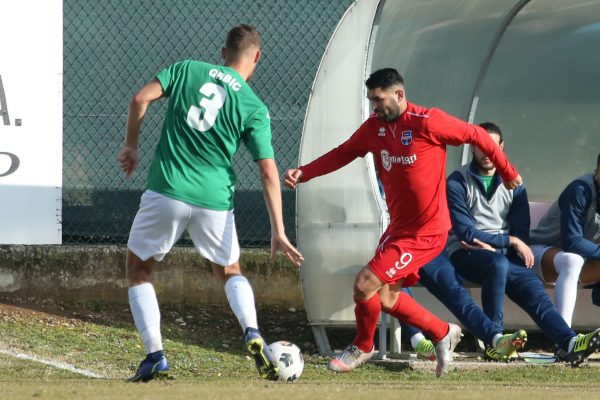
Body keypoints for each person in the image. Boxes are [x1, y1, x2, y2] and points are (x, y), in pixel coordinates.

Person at [284, 68, 522, 377]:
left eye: (378, 99)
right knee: (385, 296)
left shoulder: (428, 122)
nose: (374, 106)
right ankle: (441, 331)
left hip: (427, 232)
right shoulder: (374, 128)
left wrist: (506, 170)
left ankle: (363, 345)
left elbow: (476, 134)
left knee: (364, 284)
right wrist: (305, 172)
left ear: (398, 95)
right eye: (370, 100)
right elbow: (343, 153)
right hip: (399, 229)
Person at [117, 24, 303, 382]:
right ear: (257, 57)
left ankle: (155, 355)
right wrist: (279, 230)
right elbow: (268, 172)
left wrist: (131, 146)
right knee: (230, 271)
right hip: (214, 201)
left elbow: (140, 99)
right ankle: (251, 331)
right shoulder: (253, 106)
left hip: (167, 190)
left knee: (139, 271)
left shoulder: (187, 68)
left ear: (222, 53)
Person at [446, 122, 600, 366]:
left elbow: (520, 232)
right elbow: (465, 232)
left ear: (502, 148)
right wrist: (507, 242)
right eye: (481, 147)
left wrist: (505, 245)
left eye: (492, 147)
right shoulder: (457, 180)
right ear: (472, 147)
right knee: (497, 264)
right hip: (466, 253)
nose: (487, 153)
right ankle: (494, 341)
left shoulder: (514, 182)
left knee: (533, 291)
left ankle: (568, 342)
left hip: (504, 254)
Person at [398, 251, 527, 362]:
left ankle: (497, 340)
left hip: (428, 246)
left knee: (457, 294)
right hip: (397, 246)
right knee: (393, 286)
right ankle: (419, 342)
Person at [529, 153, 600, 327]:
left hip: (587, 260)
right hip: (541, 252)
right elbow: (572, 243)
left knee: (575, 261)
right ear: (597, 171)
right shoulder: (581, 190)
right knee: (571, 260)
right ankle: (564, 338)